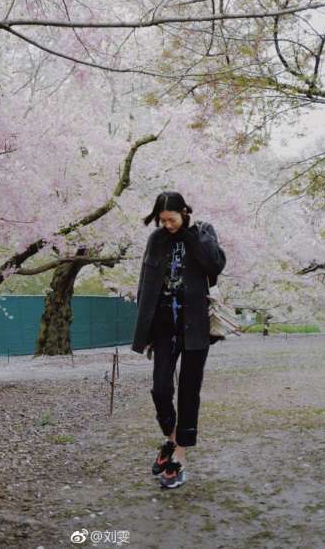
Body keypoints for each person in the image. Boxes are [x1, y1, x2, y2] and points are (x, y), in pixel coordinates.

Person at [131, 191, 226, 489]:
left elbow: (215, 265)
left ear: (184, 212)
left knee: (188, 392)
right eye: (162, 220)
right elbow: (145, 284)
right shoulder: (156, 240)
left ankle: (180, 457)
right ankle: (171, 440)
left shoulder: (203, 232)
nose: (167, 225)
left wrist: (189, 233)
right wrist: (143, 331)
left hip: (196, 326)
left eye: (171, 219)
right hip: (163, 326)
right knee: (160, 388)